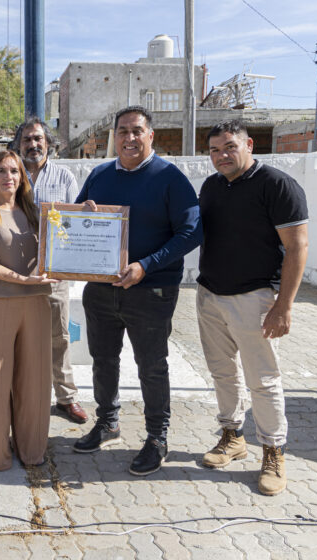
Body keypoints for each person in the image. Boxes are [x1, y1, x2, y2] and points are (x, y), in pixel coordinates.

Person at [73, 106, 202, 476]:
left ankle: (157, 437)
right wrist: (83, 214)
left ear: (151, 136)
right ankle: (108, 422)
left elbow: (192, 232)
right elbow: (74, 220)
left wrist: (146, 265)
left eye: (137, 131)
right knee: (103, 360)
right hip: (100, 289)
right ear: (114, 136)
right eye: (122, 131)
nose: (129, 138)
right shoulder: (98, 175)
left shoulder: (170, 178)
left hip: (151, 291)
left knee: (151, 366)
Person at [197, 120, 308, 496]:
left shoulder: (277, 185)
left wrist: (284, 305)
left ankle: (273, 452)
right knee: (222, 373)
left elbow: (297, 247)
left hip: (256, 299)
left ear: (249, 144)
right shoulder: (211, 186)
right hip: (210, 295)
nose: (221, 156)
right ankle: (232, 437)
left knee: (263, 380)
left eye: (229, 147)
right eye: (214, 150)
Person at [0, 150, 58, 471]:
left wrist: (87, 213)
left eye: (15, 171)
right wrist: (22, 278)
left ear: (23, 178)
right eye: (2, 171)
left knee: (34, 383)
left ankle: (32, 452)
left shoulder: (37, 214)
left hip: (36, 304)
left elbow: (66, 240)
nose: (9, 177)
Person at [12, 117, 87, 424]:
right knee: (16, 337)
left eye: (38, 139)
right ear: (18, 145)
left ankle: (66, 398)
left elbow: (76, 224)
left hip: (54, 272)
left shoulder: (65, 177)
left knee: (59, 336)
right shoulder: (9, 174)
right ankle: (15, 397)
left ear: (48, 143)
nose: (33, 144)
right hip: (14, 271)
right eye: (27, 139)